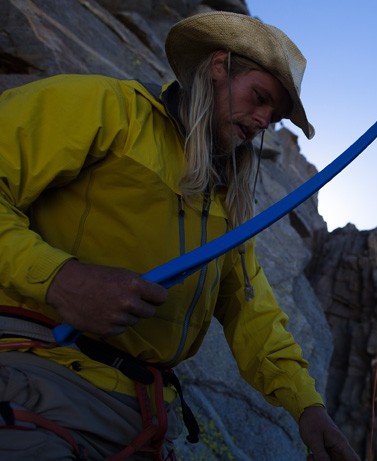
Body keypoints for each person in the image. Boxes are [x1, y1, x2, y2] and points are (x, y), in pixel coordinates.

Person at [0, 11, 358, 460]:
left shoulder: (229, 203)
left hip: (147, 422)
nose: (265, 119)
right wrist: (59, 279)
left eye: (277, 116)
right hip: (38, 378)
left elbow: (252, 312)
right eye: (261, 97)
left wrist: (306, 406)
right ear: (219, 67)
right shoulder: (110, 110)